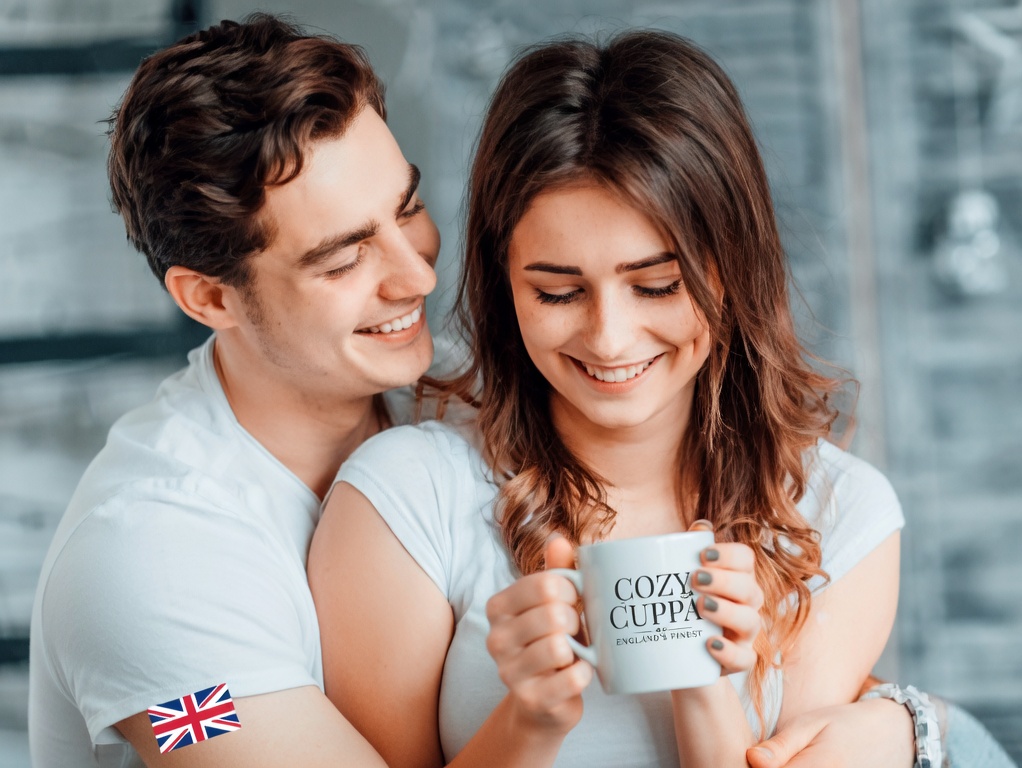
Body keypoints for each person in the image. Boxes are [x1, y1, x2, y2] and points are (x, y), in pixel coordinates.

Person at [308, 30, 911, 768]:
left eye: (657, 285)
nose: (611, 338)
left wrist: (700, 679)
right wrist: (530, 720)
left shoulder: (840, 516)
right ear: (504, 284)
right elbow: (204, 723)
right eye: (557, 291)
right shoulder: (406, 498)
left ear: (732, 267)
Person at [27, 15, 443, 766]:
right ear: (210, 300)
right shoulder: (149, 560)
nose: (417, 276)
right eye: (344, 258)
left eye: (407, 209)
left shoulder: (465, 403)